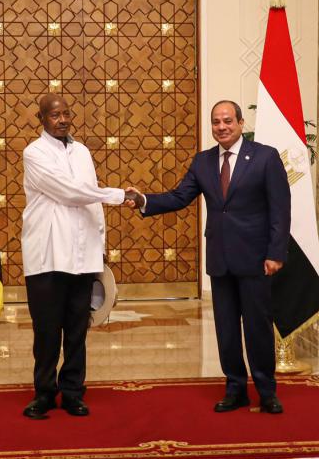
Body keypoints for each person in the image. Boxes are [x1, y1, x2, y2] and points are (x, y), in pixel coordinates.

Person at [126, 100, 290, 414]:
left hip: (257, 260)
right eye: (216, 122)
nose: (222, 127)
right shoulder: (202, 162)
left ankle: (266, 391)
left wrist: (275, 253)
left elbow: (280, 210)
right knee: (226, 329)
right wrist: (144, 199)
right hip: (220, 258)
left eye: (228, 121)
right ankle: (235, 389)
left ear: (241, 123)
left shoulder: (265, 157)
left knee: (257, 327)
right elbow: (179, 196)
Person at [21, 93, 136, 419]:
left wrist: (99, 249)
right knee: (46, 330)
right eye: (54, 115)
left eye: (66, 113)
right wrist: (118, 195)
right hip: (47, 255)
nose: (62, 120)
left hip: (83, 255)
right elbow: (69, 192)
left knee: (76, 329)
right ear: (41, 119)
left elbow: (89, 200)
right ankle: (44, 394)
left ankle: (72, 392)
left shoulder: (83, 151)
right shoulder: (34, 153)